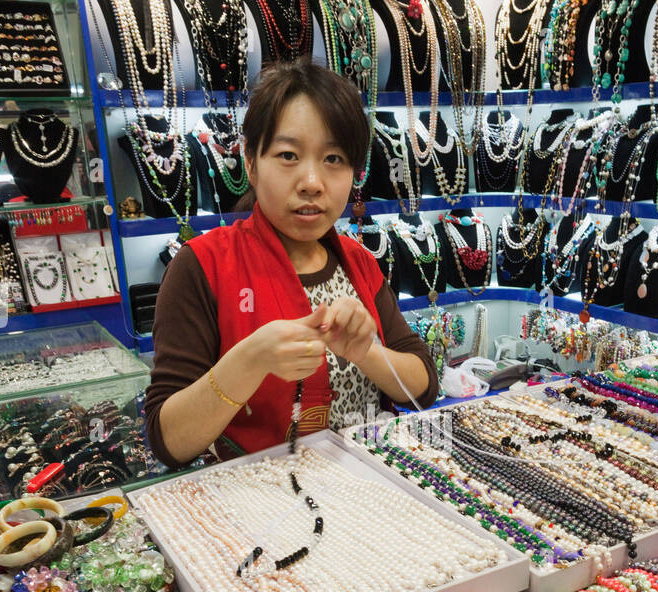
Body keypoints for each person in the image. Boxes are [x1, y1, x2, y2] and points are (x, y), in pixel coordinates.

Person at [143, 58, 439, 468]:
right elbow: (169, 441)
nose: (312, 182)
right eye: (287, 155)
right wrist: (249, 361)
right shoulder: (203, 266)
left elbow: (422, 389)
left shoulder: (358, 261)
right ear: (251, 161)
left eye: (334, 159)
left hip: (372, 492)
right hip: (263, 508)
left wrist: (366, 352)